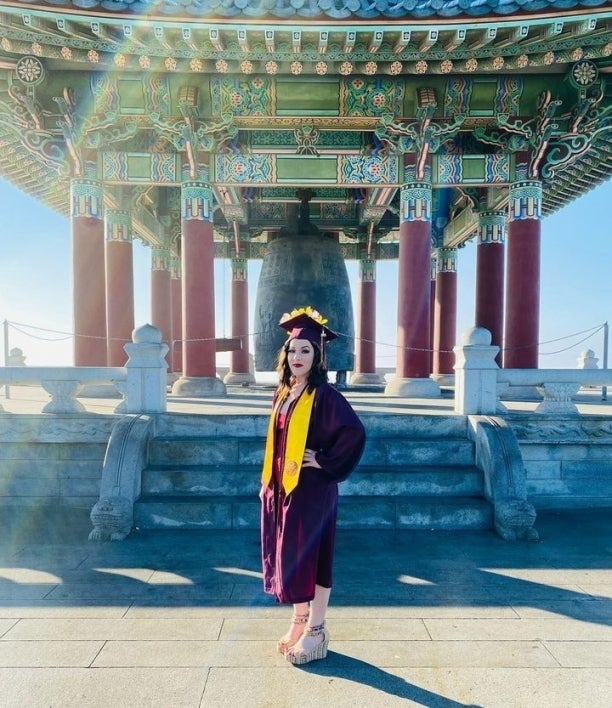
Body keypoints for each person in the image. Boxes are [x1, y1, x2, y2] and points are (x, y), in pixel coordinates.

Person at [260, 306, 366, 665]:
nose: (297, 357)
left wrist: (323, 460)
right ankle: (299, 621)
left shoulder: (325, 395)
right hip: (284, 489)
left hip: (312, 490)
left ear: (318, 356)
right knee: (292, 556)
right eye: (292, 350)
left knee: (314, 557)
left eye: (305, 350)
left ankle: (317, 631)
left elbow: (354, 432)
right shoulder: (285, 392)